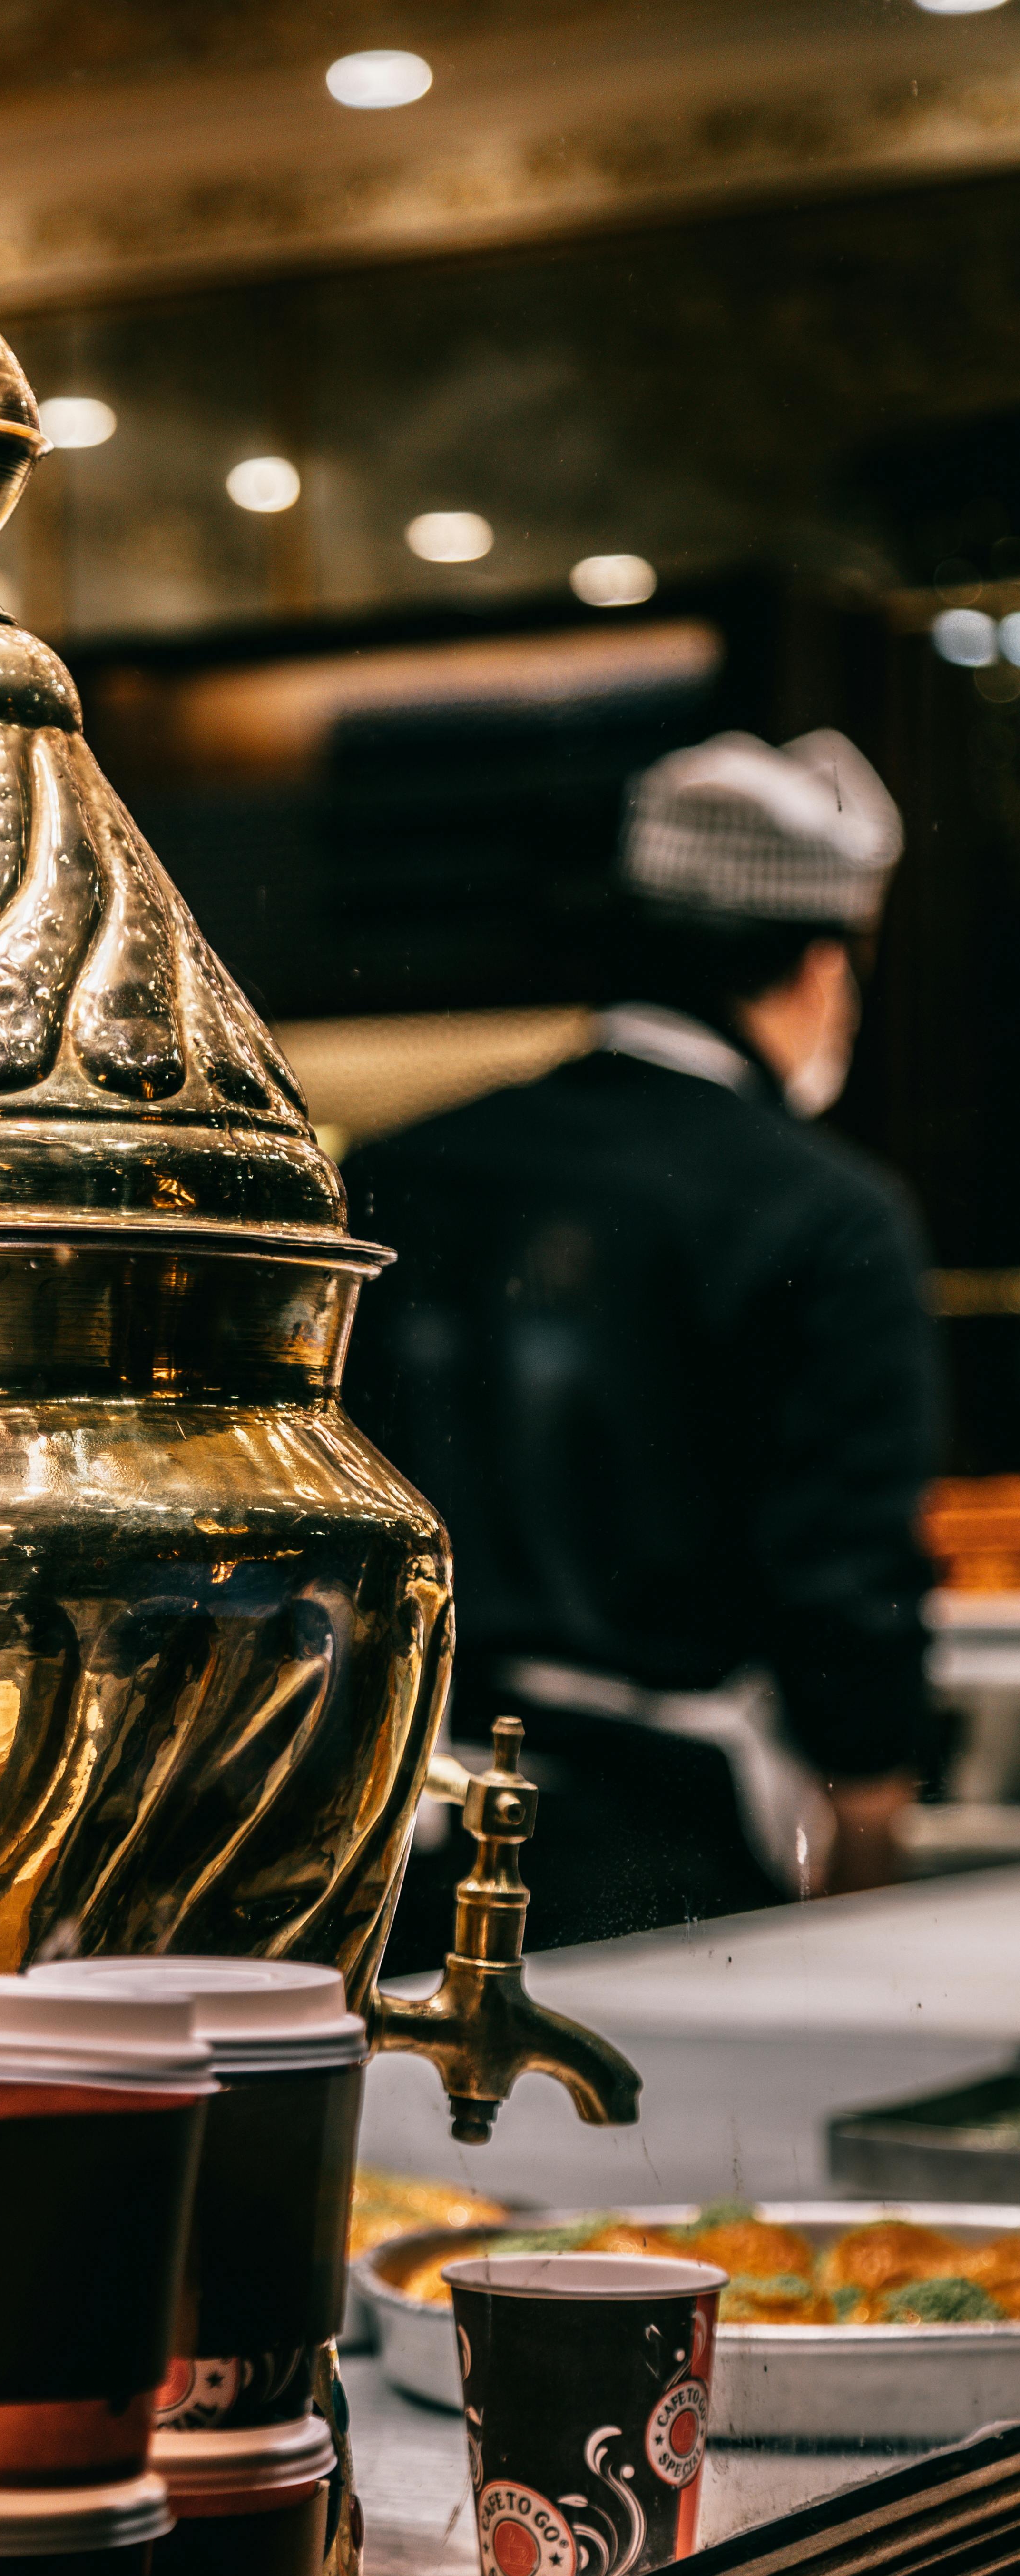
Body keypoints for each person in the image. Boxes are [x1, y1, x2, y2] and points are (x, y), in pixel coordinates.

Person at [346, 727, 937, 1955]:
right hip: (661, 1852)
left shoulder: (402, 1173)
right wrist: (872, 1799)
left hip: (390, 1825)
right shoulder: (822, 1211)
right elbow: (845, 1571)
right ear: (820, 967)